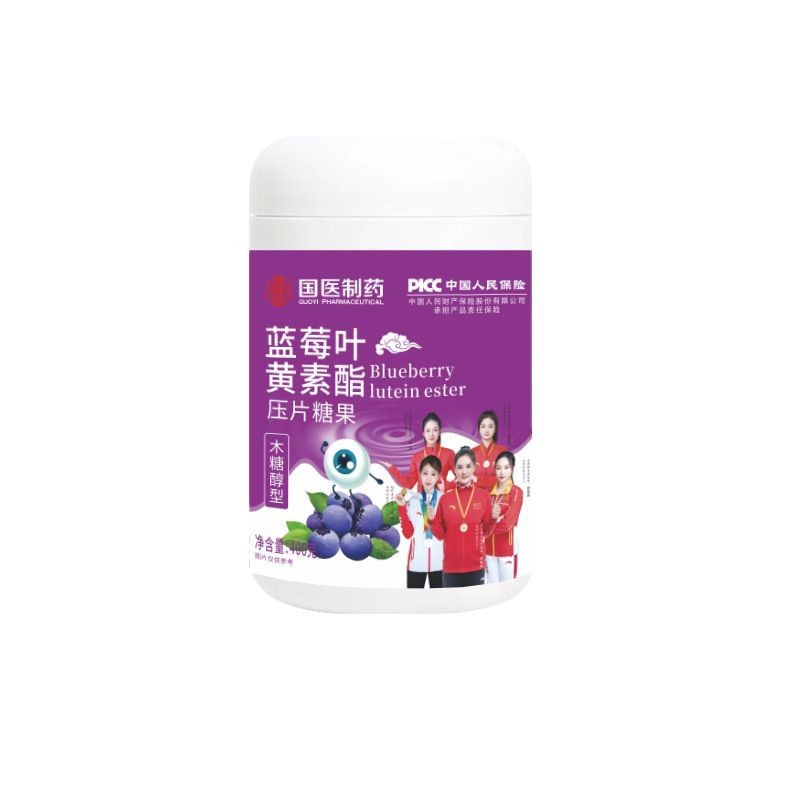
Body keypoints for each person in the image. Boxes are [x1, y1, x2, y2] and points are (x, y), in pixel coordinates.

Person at [429, 446, 492, 587]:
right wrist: (431, 520)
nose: (464, 472)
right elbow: (440, 535)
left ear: (474, 467)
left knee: (476, 601)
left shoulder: (484, 497)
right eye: (459, 467)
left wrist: (493, 518)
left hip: (476, 566)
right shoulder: (445, 499)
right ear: (455, 470)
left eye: (468, 466)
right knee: (451, 602)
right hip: (451, 568)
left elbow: (487, 532)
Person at [396, 455, 444, 588]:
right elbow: (408, 534)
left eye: (433, 474)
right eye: (425, 473)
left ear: (439, 476)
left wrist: (434, 521)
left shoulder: (444, 500)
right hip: (416, 562)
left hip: (440, 562)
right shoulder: (413, 501)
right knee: (414, 600)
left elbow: (446, 534)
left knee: (441, 600)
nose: (428, 478)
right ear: (420, 474)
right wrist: (402, 507)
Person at [380, 412, 455, 492]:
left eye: (435, 430)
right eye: (428, 430)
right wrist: (391, 468)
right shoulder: (416, 457)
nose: (431, 434)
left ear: (439, 432)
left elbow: (461, 478)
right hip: (421, 499)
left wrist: (447, 486)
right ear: (423, 433)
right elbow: (409, 483)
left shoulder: (449, 454)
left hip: (441, 498)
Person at [485, 451, 523, 582]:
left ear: (512, 468)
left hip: (507, 550)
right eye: (498, 468)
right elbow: (482, 519)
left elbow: (508, 523)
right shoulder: (489, 493)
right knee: (491, 589)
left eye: (506, 467)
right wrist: (494, 521)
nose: (502, 472)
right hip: (488, 550)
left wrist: (488, 528)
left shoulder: (516, 492)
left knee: (508, 588)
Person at [471, 410, 500, 490]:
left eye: (490, 426)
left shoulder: (502, 452)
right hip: (476, 496)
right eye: (483, 426)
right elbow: (466, 477)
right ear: (479, 429)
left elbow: (504, 479)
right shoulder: (472, 452)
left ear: (495, 429)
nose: (486, 430)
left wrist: (477, 479)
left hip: (497, 496)